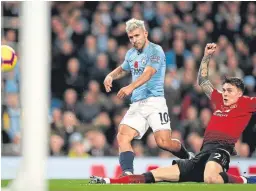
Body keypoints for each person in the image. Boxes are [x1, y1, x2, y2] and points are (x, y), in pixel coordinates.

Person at [91, 43, 256, 184]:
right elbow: (203, 81)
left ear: (240, 94)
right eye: (224, 90)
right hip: (202, 154)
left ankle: (247, 180)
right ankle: (108, 181)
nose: (225, 93)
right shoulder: (220, 100)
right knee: (156, 174)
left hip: (221, 150)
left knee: (211, 178)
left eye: (229, 91)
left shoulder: (247, 103)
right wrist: (206, 57)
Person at [103, 18, 192, 176]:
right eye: (131, 37)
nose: (134, 40)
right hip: (137, 103)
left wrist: (130, 87)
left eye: (137, 35)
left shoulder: (156, 50)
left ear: (145, 33)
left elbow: (149, 73)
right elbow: (124, 68)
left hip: (155, 102)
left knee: (163, 143)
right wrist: (110, 76)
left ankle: (189, 158)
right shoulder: (131, 53)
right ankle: (128, 173)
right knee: (122, 135)